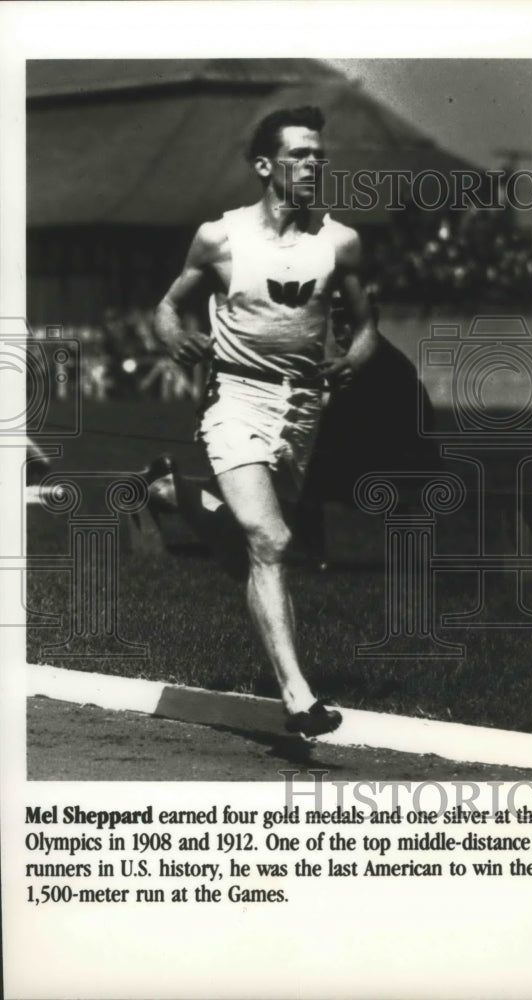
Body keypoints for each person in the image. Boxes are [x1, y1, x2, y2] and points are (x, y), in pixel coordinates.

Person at [153, 106, 378, 738]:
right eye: (301, 155)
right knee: (271, 542)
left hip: (304, 408)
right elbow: (168, 308)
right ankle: (299, 696)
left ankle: (172, 493)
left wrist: (352, 361)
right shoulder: (219, 239)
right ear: (264, 166)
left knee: (254, 548)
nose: (314, 164)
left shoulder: (340, 243)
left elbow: (366, 327)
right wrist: (179, 339)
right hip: (235, 399)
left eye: (319, 155)